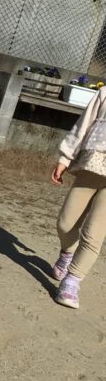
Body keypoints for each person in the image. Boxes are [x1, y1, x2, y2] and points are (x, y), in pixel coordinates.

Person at [50, 85, 106, 309]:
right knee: (65, 223)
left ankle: (72, 281)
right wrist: (65, 158)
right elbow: (83, 126)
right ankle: (67, 253)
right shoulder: (104, 93)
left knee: (94, 234)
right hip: (91, 167)